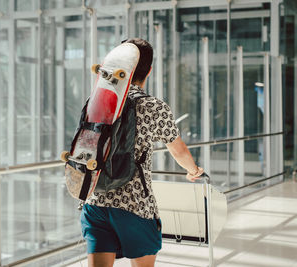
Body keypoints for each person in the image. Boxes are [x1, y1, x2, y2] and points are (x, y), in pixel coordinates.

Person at [80, 38, 204, 267]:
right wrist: (194, 170)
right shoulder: (153, 106)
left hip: (95, 201)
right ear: (149, 71)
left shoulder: (96, 100)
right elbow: (178, 150)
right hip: (135, 205)